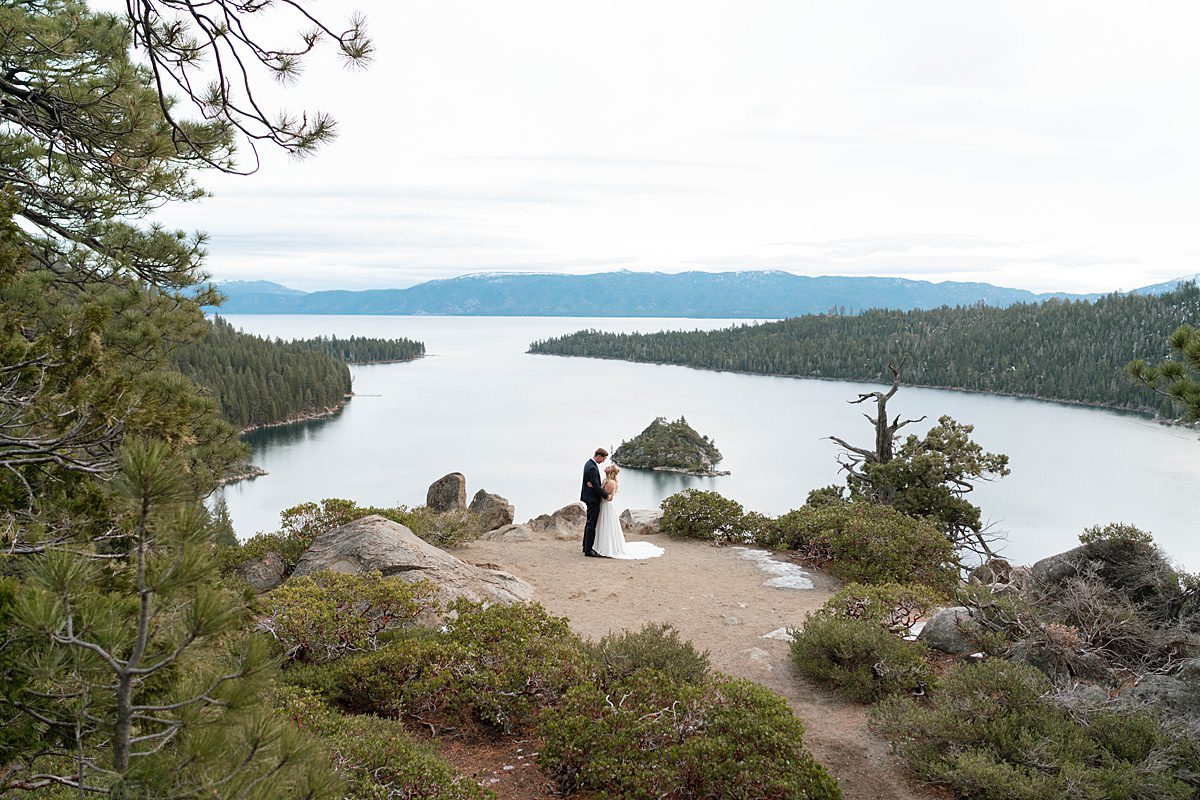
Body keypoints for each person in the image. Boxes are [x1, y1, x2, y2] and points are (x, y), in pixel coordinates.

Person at [592, 463, 665, 560]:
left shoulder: (610, 482)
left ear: (612, 471)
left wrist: (593, 487)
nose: (606, 467)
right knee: (603, 525)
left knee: (606, 526)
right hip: (604, 505)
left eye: (609, 467)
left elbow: (603, 495)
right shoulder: (606, 480)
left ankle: (607, 547)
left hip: (606, 506)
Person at [580, 447, 609, 557]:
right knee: (591, 524)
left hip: (588, 497)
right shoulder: (592, 467)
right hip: (592, 499)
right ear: (599, 456)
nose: (603, 461)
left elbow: (594, 484)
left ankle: (585, 546)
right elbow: (596, 486)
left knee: (589, 522)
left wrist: (594, 486)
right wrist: (606, 495)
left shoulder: (588, 464)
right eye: (603, 459)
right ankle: (589, 550)